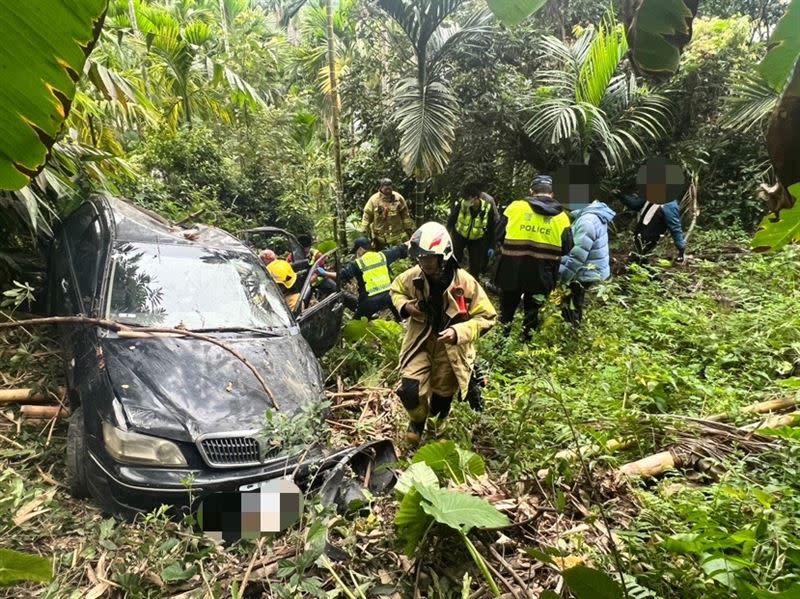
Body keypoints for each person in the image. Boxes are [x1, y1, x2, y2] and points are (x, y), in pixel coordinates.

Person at [390, 222, 496, 443]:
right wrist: (406, 306)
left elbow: (487, 316)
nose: (425, 263)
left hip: (451, 348)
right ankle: (417, 421)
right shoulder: (414, 276)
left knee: (442, 394)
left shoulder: (465, 283)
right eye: (421, 258)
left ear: (443, 255)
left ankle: (437, 426)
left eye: (429, 258)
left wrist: (459, 332)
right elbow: (396, 289)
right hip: (420, 340)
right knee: (410, 389)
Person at [494, 175, 572, 339]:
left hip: (511, 271)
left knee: (506, 312)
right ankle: (526, 346)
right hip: (542, 275)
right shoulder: (562, 217)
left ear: (531, 191)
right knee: (532, 314)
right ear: (552, 193)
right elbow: (567, 248)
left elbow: (498, 234)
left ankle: (501, 344)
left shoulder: (515, 208)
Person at [316, 237, 407, 319]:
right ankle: (401, 323)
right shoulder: (383, 255)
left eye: (356, 251)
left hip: (370, 301)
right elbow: (401, 249)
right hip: (388, 295)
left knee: (355, 324)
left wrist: (324, 273)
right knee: (399, 315)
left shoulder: (357, 263)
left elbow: (341, 276)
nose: (356, 254)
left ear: (360, 249)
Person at [559, 200, 616, 326]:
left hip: (583, 272)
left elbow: (578, 255)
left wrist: (563, 278)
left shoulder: (587, 220)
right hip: (593, 268)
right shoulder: (594, 214)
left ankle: (571, 334)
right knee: (575, 302)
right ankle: (573, 329)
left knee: (571, 305)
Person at [446, 183, 497, 276]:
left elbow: (491, 228)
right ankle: (451, 278)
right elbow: (451, 220)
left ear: (476, 198)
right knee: (454, 260)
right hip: (460, 235)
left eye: (467, 199)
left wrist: (491, 246)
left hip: (477, 239)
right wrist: (447, 235)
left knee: (475, 266)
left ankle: (473, 284)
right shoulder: (462, 205)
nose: (465, 201)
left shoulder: (487, 209)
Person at [621, 195, 686, 264]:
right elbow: (636, 204)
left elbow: (675, 228)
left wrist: (681, 247)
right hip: (639, 234)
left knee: (638, 260)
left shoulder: (669, 205)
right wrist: (622, 197)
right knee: (638, 260)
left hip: (651, 239)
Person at [361, 178, 414, 249]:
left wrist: (408, 230)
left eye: (390, 188)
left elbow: (405, 215)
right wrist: (364, 231)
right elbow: (367, 215)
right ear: (381, 188)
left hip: (396, 236)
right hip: (379, 238)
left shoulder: (398, 198)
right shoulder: (374, 200)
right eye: (386, 189)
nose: (388, 191)